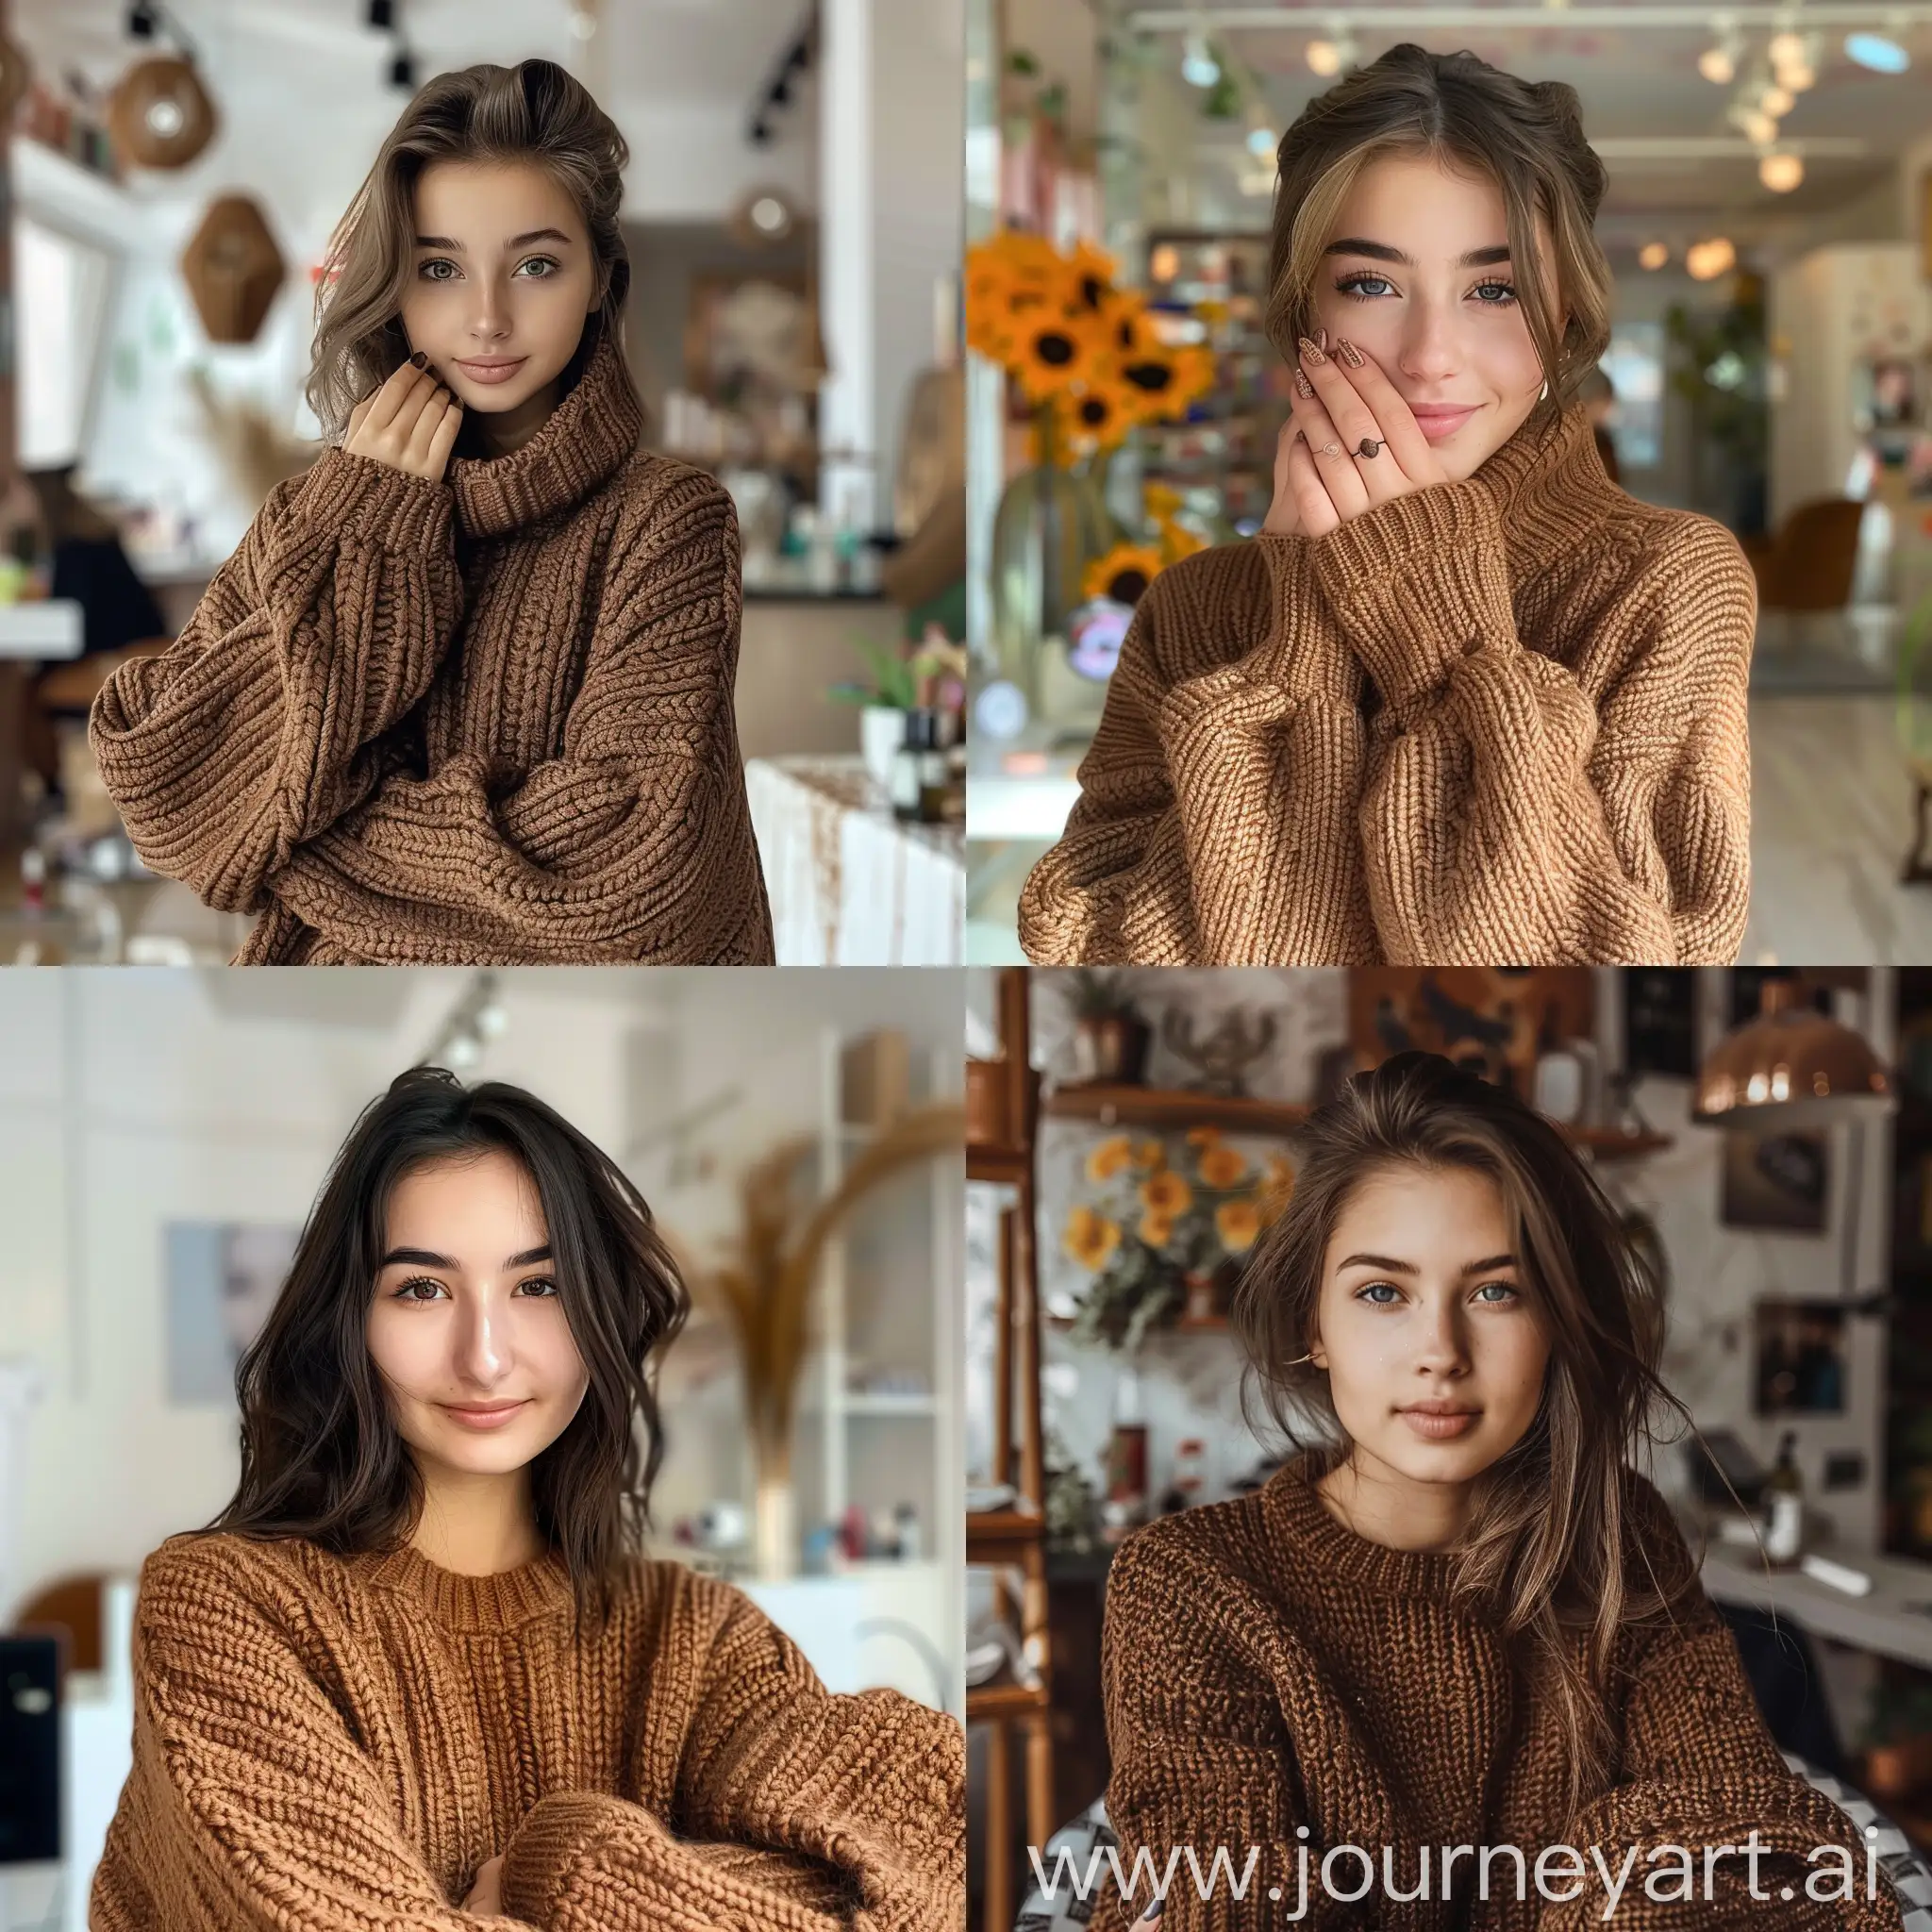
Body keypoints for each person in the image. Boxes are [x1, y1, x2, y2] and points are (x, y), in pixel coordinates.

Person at [92, 1067, 963, 1930]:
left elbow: (935, 1863)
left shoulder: (698, 1641)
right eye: (422, 1288)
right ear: (349, 1320)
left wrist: (580, 1872)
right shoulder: (226, 1605)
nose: (487, 1357)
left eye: (537, 1286)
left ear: (598, 1313)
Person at [1093, 1054, 1905, 1931]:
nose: (1440, 1349)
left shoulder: (1617, 1532)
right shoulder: (1189, 1582)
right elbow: (1219, 1903)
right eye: (1381, 1292)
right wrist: (1612, 1867)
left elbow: (1745, 1838)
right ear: (1311, 1326)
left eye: (1494, 1290)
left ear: (1555, 1320)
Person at [1019, 44, 1753, 970]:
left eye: (1494, 289)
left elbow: (1572, 963)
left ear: (1564, 315)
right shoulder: (1193, 609)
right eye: (1370, 284)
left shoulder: (1665, 581)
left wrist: (1430, 620)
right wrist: (1302, 643)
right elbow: (1089, 951)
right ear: (1300, 316)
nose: (1428, 355)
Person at [90, 60, 774, 965]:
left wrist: (288, 831)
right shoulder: (319, 512)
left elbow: (626, 881)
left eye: (535, 265)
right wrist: (366, 526)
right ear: (395, 288)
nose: (487, 319)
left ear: (601, 279)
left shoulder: (668, 523)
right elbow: (163, 787)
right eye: (441, 268)